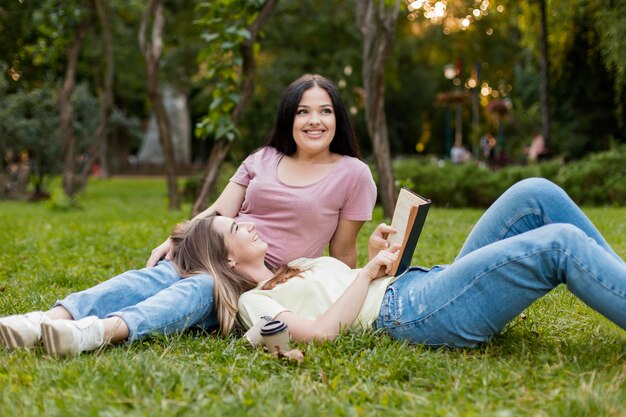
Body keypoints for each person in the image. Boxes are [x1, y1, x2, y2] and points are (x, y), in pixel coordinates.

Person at [0, 74, 377, 355]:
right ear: (288, 119)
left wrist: (346, 298)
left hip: (260, 281)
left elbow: (343, 253)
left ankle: (96, 332)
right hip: (218, 249)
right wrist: (176, 239)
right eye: (303, 112)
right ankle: (47, 320)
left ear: (337, 118)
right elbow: (218, 210)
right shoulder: (262, 159)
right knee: (161, 274)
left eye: (325, 111)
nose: (315, 121)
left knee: (204, 288)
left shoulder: (353, 174)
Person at [178, 178, 624, 347]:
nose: (247, 225)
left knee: (534, 194)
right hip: (410, 313)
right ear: (228, 260)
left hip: (421, 285)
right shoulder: (257, 303)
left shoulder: (292, 265)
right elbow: (320, 333)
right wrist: (369, 275)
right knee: (558, 243)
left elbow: (347, 289)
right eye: (235, 229)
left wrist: (372, 258)